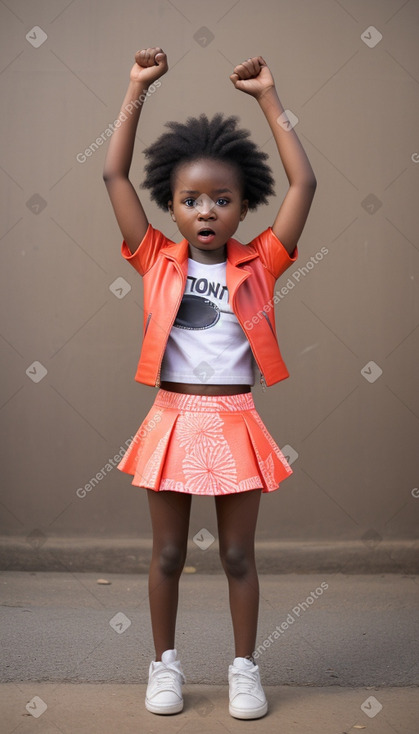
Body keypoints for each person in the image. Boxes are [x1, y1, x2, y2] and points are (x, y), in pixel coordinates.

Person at [103, 46, 316, 720]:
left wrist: (269, 98)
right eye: (190, 200)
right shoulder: (154, 260)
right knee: (166, 553)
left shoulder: (261, 262)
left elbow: (305, 185)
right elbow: (112, 174)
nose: (204, 211)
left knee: (234, 554)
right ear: (169, 207)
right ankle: (163, 666)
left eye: (220, 200)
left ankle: (243, 670)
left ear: (241, 206)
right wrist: (137, 87)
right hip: (171, 418)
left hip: (235, 419)